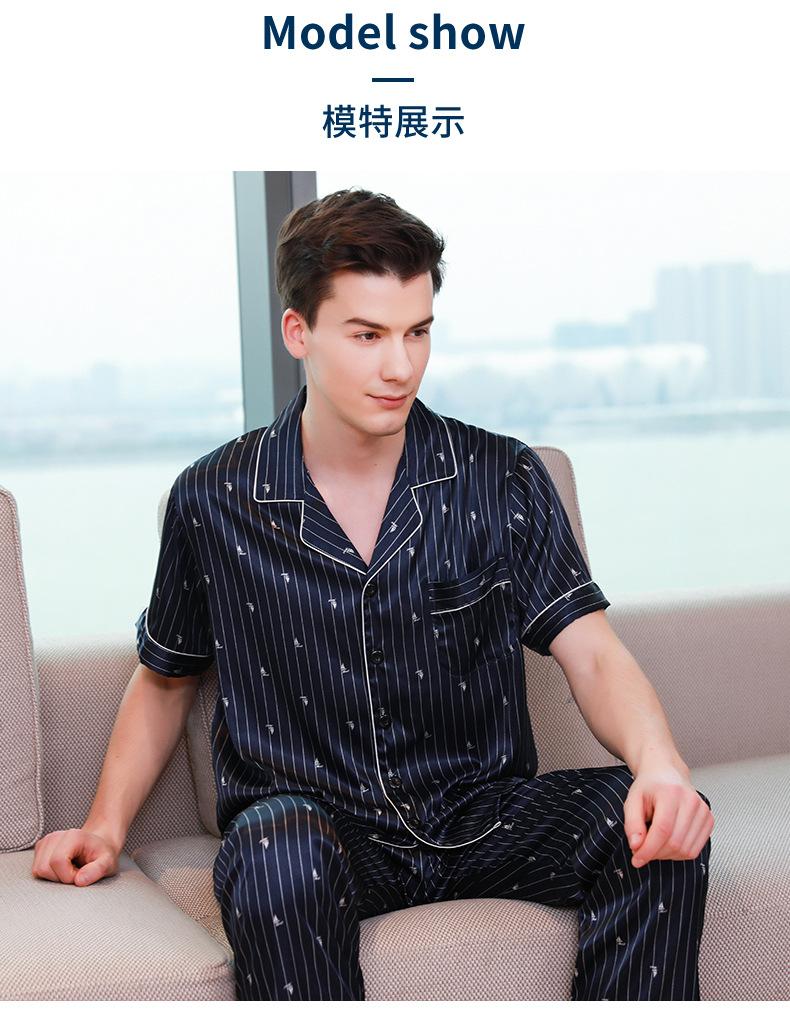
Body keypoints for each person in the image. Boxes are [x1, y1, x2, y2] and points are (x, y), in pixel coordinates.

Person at [31, 187, 713, 1001]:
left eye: (417, 331)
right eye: (368, 335)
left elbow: (593, 652)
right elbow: (166, 678)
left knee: (659, 820)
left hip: (481, 815)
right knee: (279, 854)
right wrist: (104, 829)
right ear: (299, 333)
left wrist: (660, 765)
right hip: (317, 834)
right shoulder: (214, 498)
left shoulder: (501, 476)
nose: (401, 366)